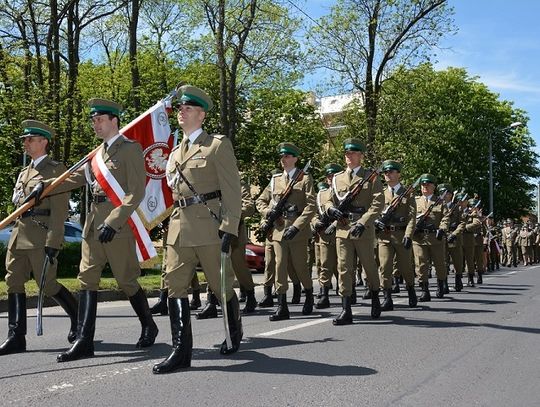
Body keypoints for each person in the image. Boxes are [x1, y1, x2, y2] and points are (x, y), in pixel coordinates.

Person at [48, 99, 159, 362]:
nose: (95, 124)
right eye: (93, 120)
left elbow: (137, 191)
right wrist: (45, 187)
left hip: (116, 226)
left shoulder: (130, 149)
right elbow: (75, 179)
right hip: (92, 225)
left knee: (126, 280)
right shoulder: (96, 155)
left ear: (114, 121)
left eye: (99, 119)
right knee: (87, 278)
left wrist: (114, 221)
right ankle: (85, 341)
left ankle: (149, 325)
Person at [153, 85, 242, 374]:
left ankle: (234, 331)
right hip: (179, 227)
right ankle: (181, 351)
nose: (181, 111)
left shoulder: (216, 145)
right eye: (180, 108)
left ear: (201, 115)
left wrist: (229, 227)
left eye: (188, 108)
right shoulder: (176, 151)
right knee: (175, 286)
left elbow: (232, 190)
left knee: (220, 285)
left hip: (208, 226)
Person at [0, 120, 78, 356]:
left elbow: (60, 210)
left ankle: (79, 320)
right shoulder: (25, 172)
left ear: (43, 142)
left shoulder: (56, 170)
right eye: (25, 139)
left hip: (40, 234)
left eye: (30, 139)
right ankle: (16, 336)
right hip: (20, 234)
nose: (25, 143)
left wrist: (54, 241)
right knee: (13, 281)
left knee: (48, 284)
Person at [321, 138, 384, 325]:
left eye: (353, 153)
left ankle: (375, 297)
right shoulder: (338, 178)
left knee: (369, 267)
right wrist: (330, 209)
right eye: (347, 153)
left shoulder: (371, 177)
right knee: (344, 269)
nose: (349, 156)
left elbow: (378, 203)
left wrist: (363, 222)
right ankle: (345, 309)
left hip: (363, 229)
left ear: (361, 156)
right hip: (342, 228)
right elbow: (329, 199)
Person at [256, 142, 316, 321]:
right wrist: (269, 213)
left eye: (288, 156)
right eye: (282, 156)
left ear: (296, 158)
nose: (284, 159)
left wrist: (297, 226)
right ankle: (282, 306)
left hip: (297, 230)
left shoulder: (304, 179)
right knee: (279, 265)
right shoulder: (275, 180)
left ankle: (309, 294)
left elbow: (311, 206)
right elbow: (260, 201)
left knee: (300, 266)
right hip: (279, 228)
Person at [375, 160, 417, 310]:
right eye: (386, 172)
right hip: (384, 235)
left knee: (405, 267)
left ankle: (411, 289)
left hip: (400, 234)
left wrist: (408, 235)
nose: (388, 174)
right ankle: (387, 298)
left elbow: (412, 217)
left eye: (391, 171)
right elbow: (374, 211)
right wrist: (376, 223)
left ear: (398, 174)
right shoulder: (379, 193)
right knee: (385, 267)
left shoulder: (407, 193)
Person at [412, 174, 449, 301]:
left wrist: (442, 229)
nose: (425, 187)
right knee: (421, 264)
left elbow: (445, 217)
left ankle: (440, 285)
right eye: (423, 185)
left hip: (435, 237)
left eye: (428, 185)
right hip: (419, 237)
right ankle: (424, 290)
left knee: (439, 264)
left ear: (434, 186)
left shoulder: (440, 202)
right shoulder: (415, 201)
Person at [314, 164, 342, 309]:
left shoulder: (343, 193)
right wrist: (315, 223)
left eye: (333, 176)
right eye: (329, 176)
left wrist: (336, 224)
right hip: (325, 234)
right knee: (325, 264)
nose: (330, 179)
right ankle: (324, 294)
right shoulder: (321, 194)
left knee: (343, 265)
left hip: (341, 232)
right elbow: (313, 212)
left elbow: (349, 213)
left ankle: (345, 291)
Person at [442, 187, 466, 292]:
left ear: (451, 195)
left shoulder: (457, 208)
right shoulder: (438, 206)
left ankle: (458, 279)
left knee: (457, 260)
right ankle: (444, 283)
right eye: (442, 193)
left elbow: (462, 223)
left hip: (454, 235)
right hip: (442, 235)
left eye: (446, 193)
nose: (443, 195)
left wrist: (455, 234)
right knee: (443, 261)